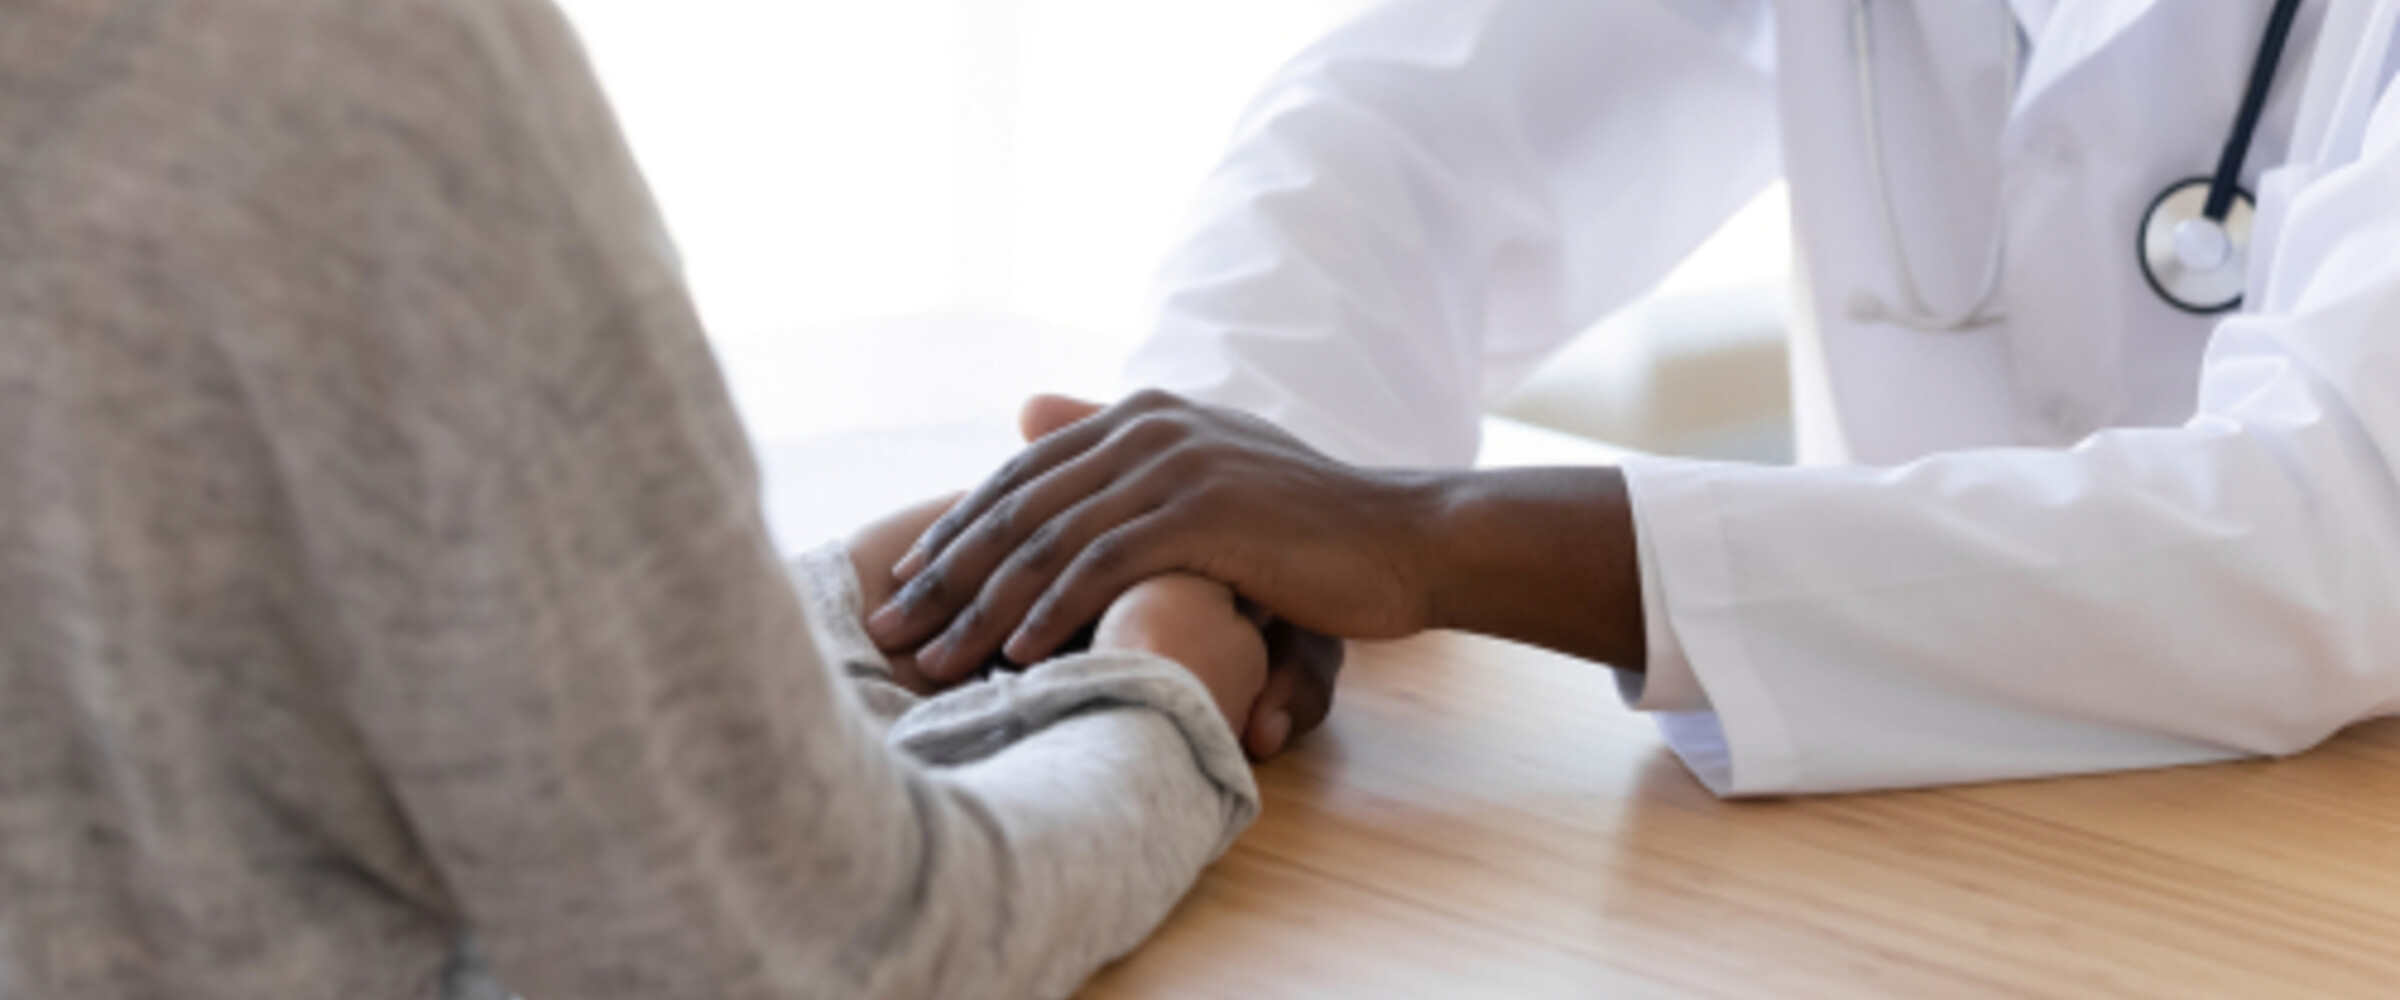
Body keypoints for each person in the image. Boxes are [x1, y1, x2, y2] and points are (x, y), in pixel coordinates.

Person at [0, 3, 1273, 998]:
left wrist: (807, 628)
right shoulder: (350, 68)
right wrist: (1157, 704)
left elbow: (195, 786)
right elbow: (801, 959)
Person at [867, 0, 2400, 795]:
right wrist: (1201, 521)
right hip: (1914, 854)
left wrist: (1429, 539)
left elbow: (2339, 530)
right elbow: (1416, 129)